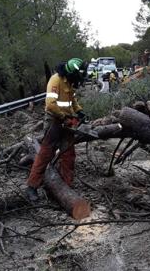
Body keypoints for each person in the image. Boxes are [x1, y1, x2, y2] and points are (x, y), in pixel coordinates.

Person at [25, 58, 88, 202]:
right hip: (54, 120)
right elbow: (50, 105)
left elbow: (72, 99)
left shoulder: (69, 82)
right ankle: (31, 187)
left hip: (66, 120)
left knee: (68, 154)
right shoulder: (55, 80)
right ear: (71, 73)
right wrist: (63, 117)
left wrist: (78, 111)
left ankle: (66, 187)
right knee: (45, 154)